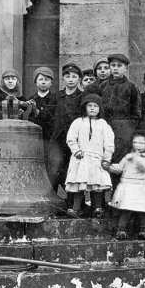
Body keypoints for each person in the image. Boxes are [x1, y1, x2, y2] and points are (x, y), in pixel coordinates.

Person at [96, 54, 142, 188]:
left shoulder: (131, 87)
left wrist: (128, 128)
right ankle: (105, 201)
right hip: (105, 127)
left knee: (120, 162)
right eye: (113, 65)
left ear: (126, 68)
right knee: (105, 160)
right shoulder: (103, 86)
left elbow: (137, 112)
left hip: (124, 129)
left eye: (119, 66)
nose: (115, 69)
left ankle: (119, 200)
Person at [64, 94, 114, 218]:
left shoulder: (103, 124)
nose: (92, 108)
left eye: (95, 106)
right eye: (89, 106)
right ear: (84, 108)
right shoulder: (78, 122)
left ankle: (97, 208)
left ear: (100, 108)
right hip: (81, 158)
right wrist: (76, 151)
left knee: (96, 185)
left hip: (97, 158)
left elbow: (109, 143)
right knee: (79, 183)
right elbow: (71, 139)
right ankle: (76, 208)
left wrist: (106, 158)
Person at [108, 130, 145, 240]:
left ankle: (143, 230)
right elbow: (120, 168)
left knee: (143, 210)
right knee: (127, 209)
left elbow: (144, 167)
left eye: (141, 143)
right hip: (129, 186)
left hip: (143, 187)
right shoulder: (128, 156)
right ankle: (121, 230)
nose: (138, 145)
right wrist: (109, 166)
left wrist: (135, 158)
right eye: (135, 142)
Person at [49, 63, 84, 194]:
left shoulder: (82, 96)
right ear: (63, 78)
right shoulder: (56, 96)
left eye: (74, 76)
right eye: (67, 76)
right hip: (58, 138)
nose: (70, 79)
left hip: (75, 140)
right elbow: (50, 116)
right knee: (57, 167)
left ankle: (73, 202)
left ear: (79, 79)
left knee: (73, 168)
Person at [27, 67, 59, 181]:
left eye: (47, 79)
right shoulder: (31, 99)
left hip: (50, 138)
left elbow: (54, 118)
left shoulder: (56, 99)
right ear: (36, 82)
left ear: (51, 83)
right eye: (40, 79)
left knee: (51, 166)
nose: (43, 82)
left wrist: (38, 112)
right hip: (36, 139)